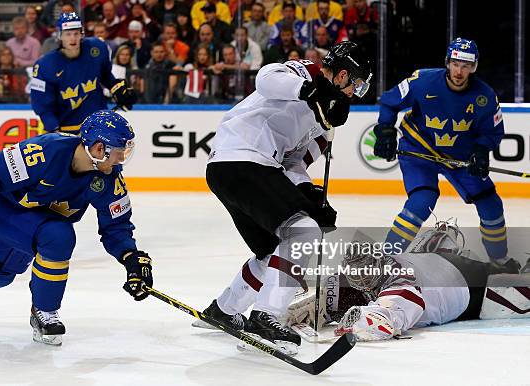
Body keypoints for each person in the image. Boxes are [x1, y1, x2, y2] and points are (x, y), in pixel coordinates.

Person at [0, 110, 154, 346]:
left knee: (0, 272)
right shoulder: (46, 151)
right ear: (99, 149)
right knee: (58, 237)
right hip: (5, 210)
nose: (121, 160)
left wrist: (130, 257)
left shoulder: (109, 179)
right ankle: (45, 312)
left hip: (36, 222)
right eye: (119, 152)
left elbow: (117, 226)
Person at [197, 42, 372, 354]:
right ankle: (266, 318)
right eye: (356, 85)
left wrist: (309, 193)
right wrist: (310, 91)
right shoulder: (307, 73)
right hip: (244, 158)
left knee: (271, 252)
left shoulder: (326, 120)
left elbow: (294, 163)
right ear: (343, 75)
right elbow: (265, 78)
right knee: (302, 233)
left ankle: (223, 310)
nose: (355, 94)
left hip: (237, 168)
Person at [373, 38, 512, 267]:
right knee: (422, 200)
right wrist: (386, 130)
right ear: (448, 62)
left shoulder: (485, 97)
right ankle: (385, 260)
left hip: (459, 158)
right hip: (419, 148)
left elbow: (493, 132)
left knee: (491, 205)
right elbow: (390, 101)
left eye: (466, 65)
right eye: (456, 64)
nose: (459, 71)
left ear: (474, 67)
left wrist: (481, 150)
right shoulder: (422, 80)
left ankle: (499, 260)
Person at [284, 222, 526, 342]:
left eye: (367, 276)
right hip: (438, 263)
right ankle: (505, 267)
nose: (363, 282)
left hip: (469, 289)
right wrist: (312, 302)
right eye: (355, 277)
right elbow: (330, 288)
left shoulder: (401, 283)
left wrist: (356, 321)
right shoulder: (362, 268)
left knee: (519, 292)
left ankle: (514, 272)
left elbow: (384, 322)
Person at [30, 12, 137, 134]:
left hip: (97, 123)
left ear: (82, 34)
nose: (73, 38)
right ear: (60, 35)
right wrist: (54, 131)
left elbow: (105, 74)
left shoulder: (97, 48)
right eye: (68, 34)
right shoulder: (45, 65)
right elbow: (42, 104)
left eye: (76, 33)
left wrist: (116, 89)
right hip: (65, 128)